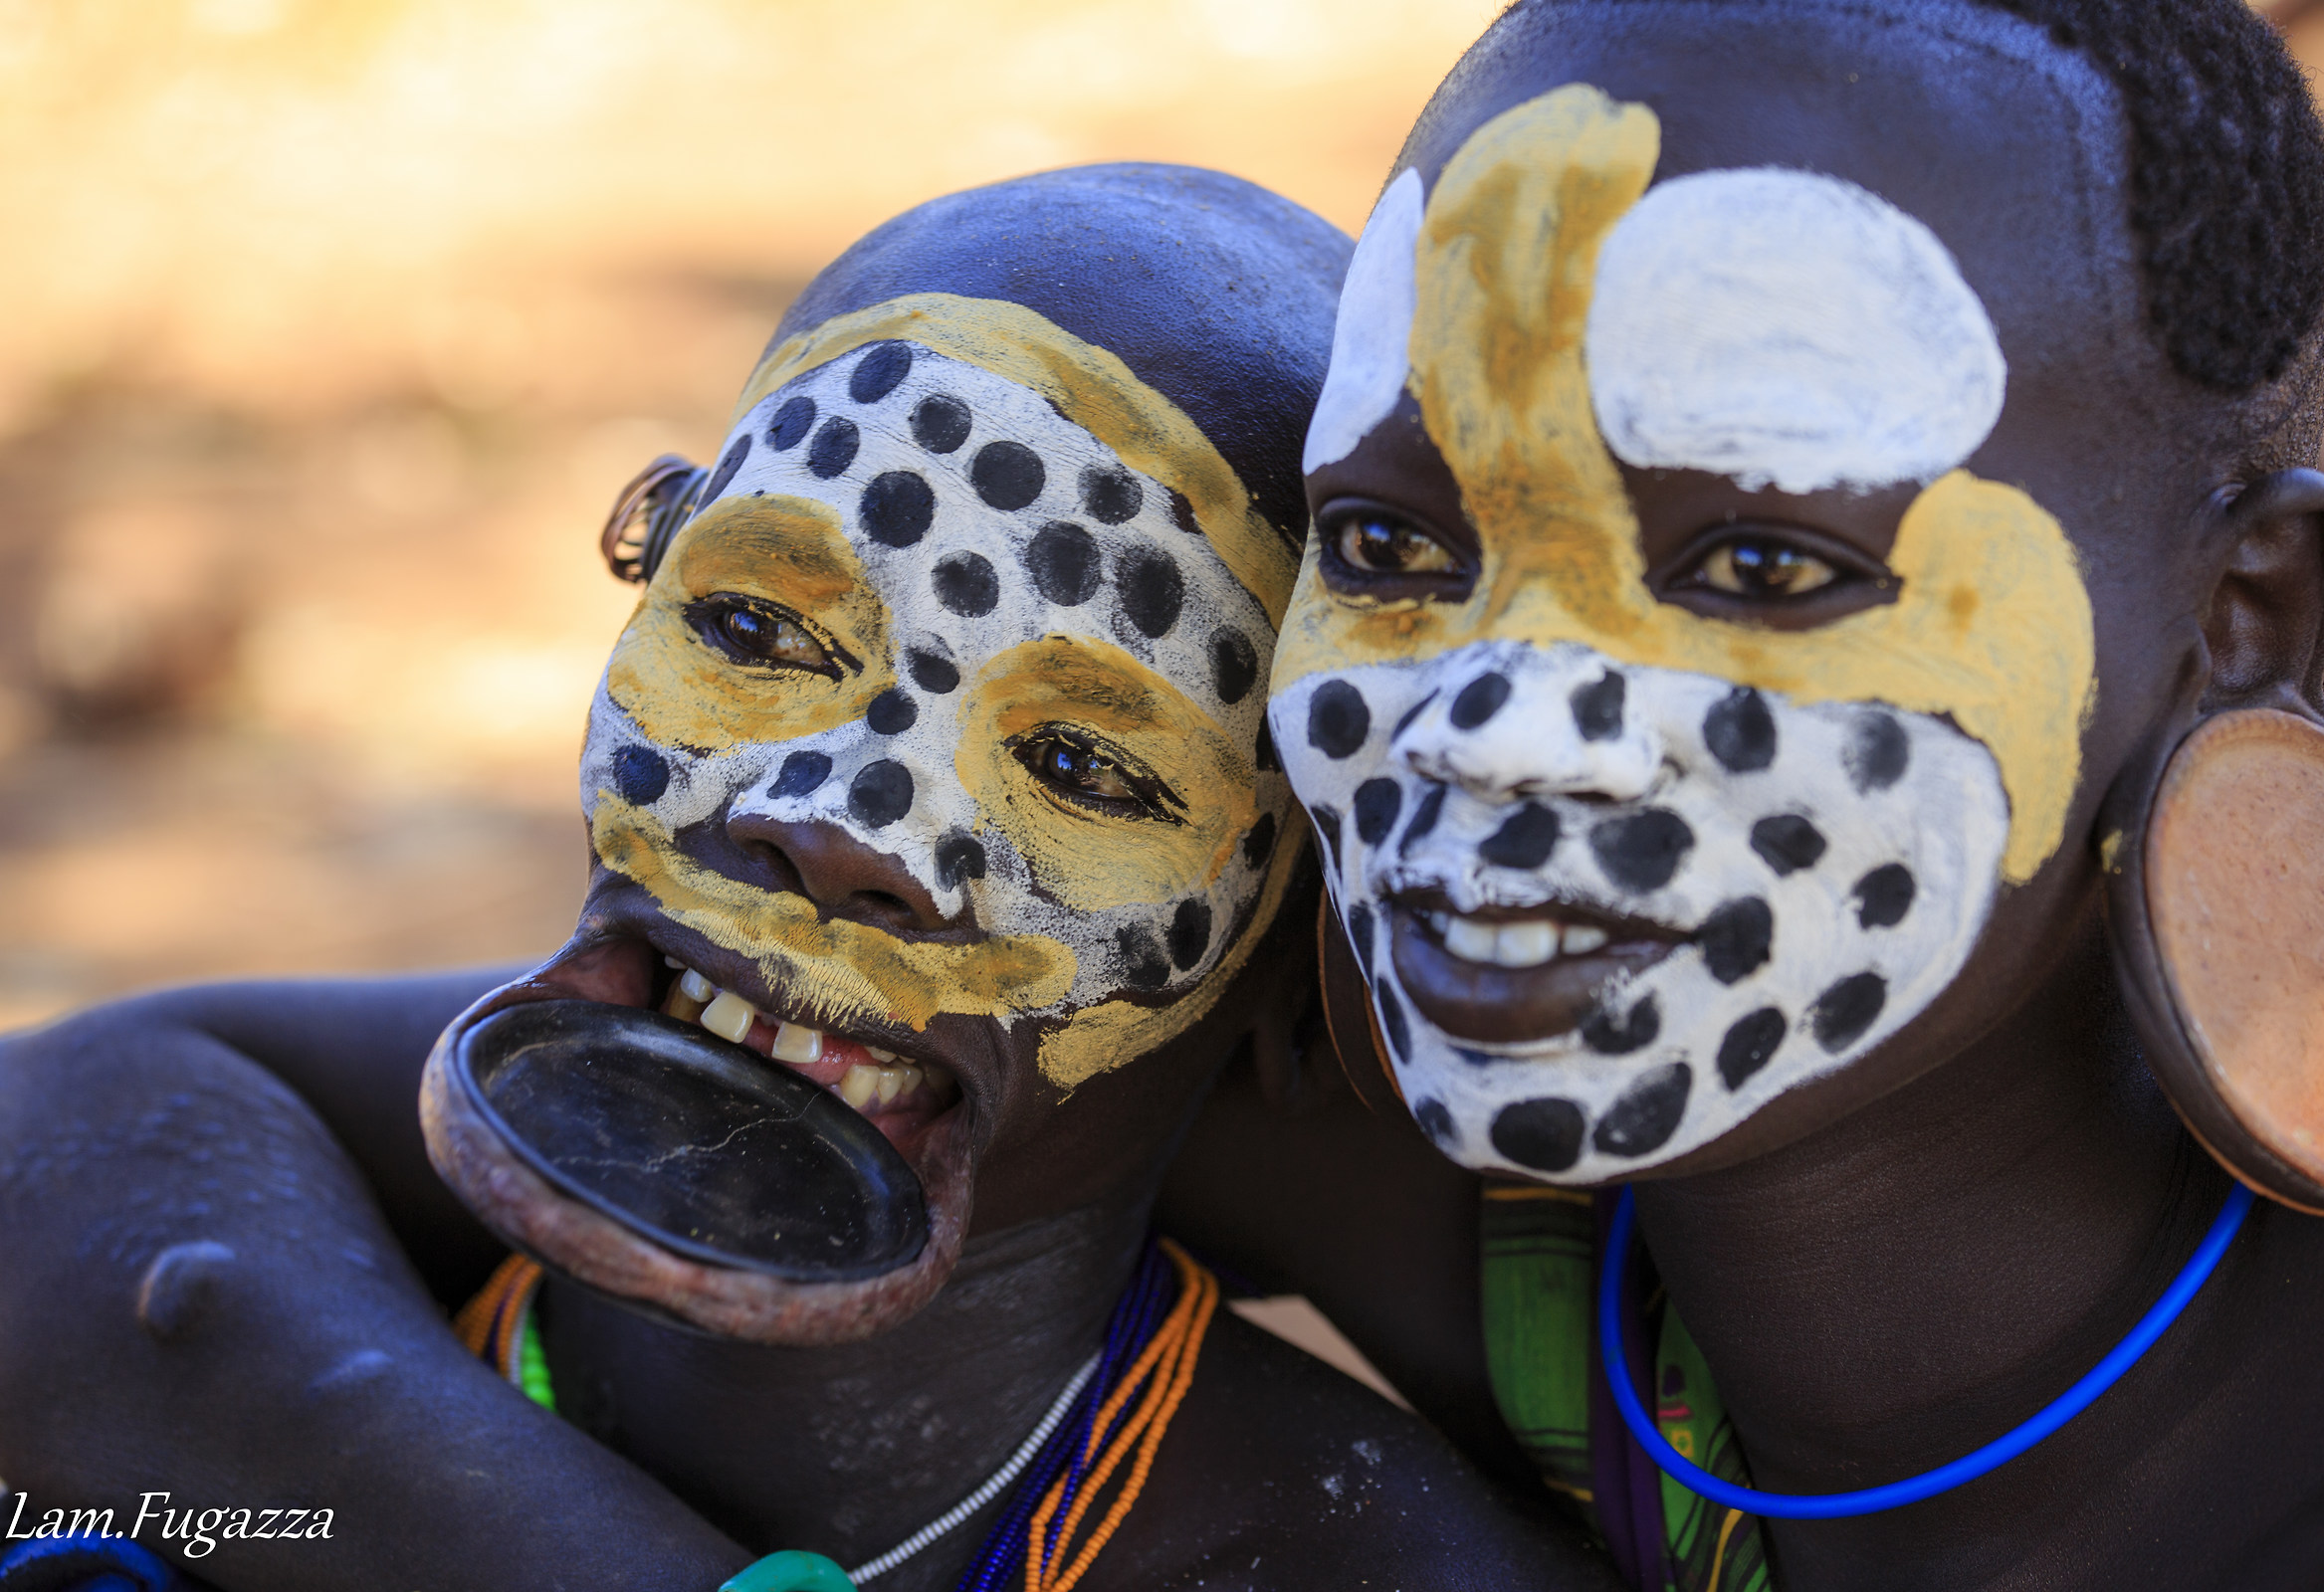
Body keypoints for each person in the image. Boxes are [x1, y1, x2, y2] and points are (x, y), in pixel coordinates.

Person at [0, 164, 1600, 1592]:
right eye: (755, 626)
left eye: (1086, 768)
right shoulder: (232, 1215)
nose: (839, 826)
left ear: (1308, 964)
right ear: (651, 560)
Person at [1172, 0, 2324, 1587]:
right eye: (1390, 548)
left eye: (1758, 566)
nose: (1491, 725)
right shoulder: (1368, 1189)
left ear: (2240, 622)